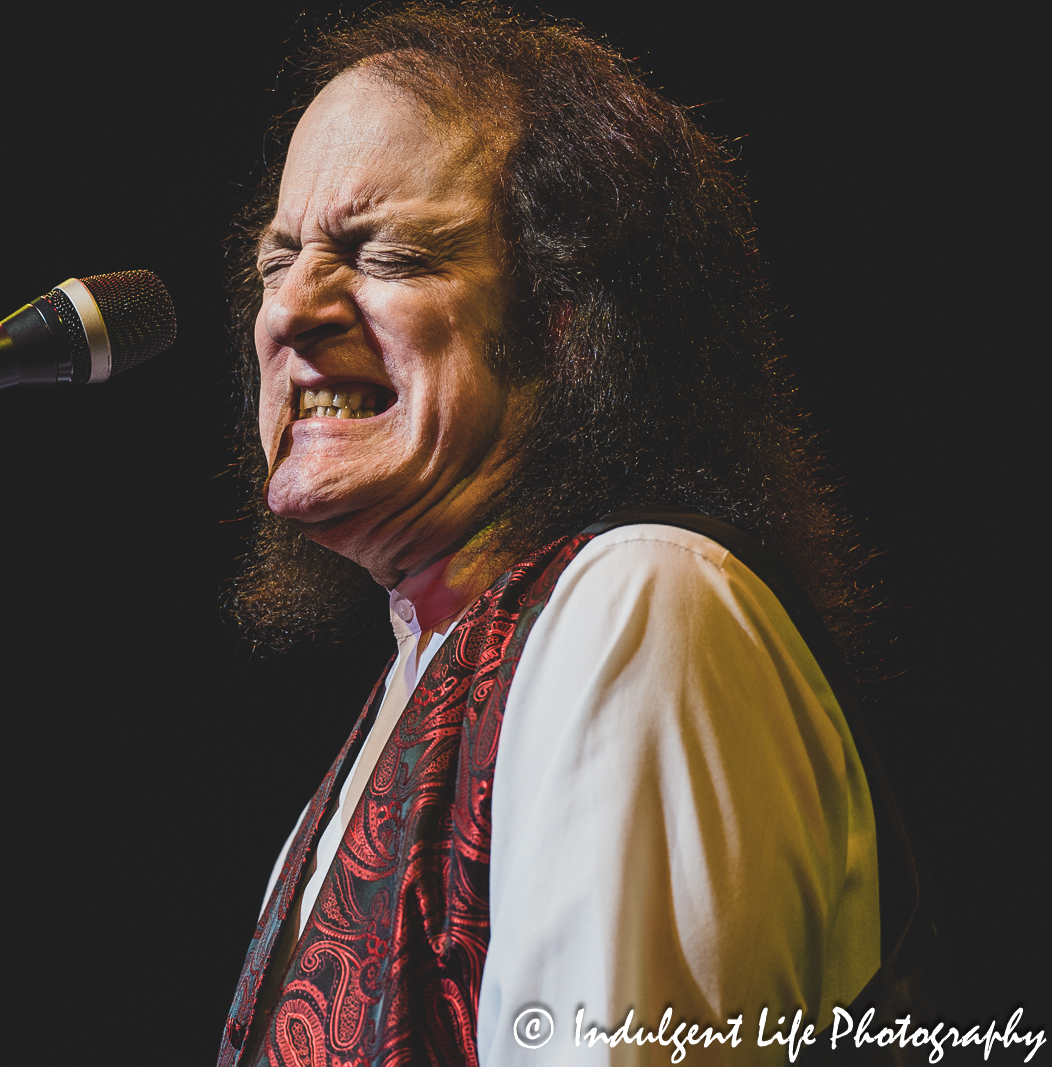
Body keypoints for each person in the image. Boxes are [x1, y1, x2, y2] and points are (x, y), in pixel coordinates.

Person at [215, 6, 900, 1066]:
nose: (287, 312)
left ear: (566, 323)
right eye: (277, 259)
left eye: (382, 254)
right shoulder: (419, 685)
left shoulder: (637, 604)